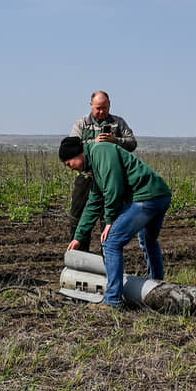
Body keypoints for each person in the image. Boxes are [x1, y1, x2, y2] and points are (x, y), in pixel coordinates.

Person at [59, 135, 171, 308]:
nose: (71, 169)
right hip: (159, 195)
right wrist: (79, 236)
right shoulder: (94, 163)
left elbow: (113, 187)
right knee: (149, 240)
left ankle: (112, 300)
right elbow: (94, 200)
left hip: (146, 198)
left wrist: (110, 219)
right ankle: (157, 289)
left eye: (69, 164)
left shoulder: (101, 151)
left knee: (111, 242)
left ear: (77, 155)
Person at [66, 91, 136, 250]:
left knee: (109, 219)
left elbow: (132, 143)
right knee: (78, 217)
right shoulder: (82, 123)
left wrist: (116, 141)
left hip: (111, 179)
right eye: (98, 108)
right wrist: (94, 142)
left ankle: (109, 258)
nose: (101, 111)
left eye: (104, 108)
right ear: (91, 106)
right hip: (86, 178)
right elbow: (73, 147)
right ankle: (80, 256)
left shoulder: (118, 123)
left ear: (109, 105)